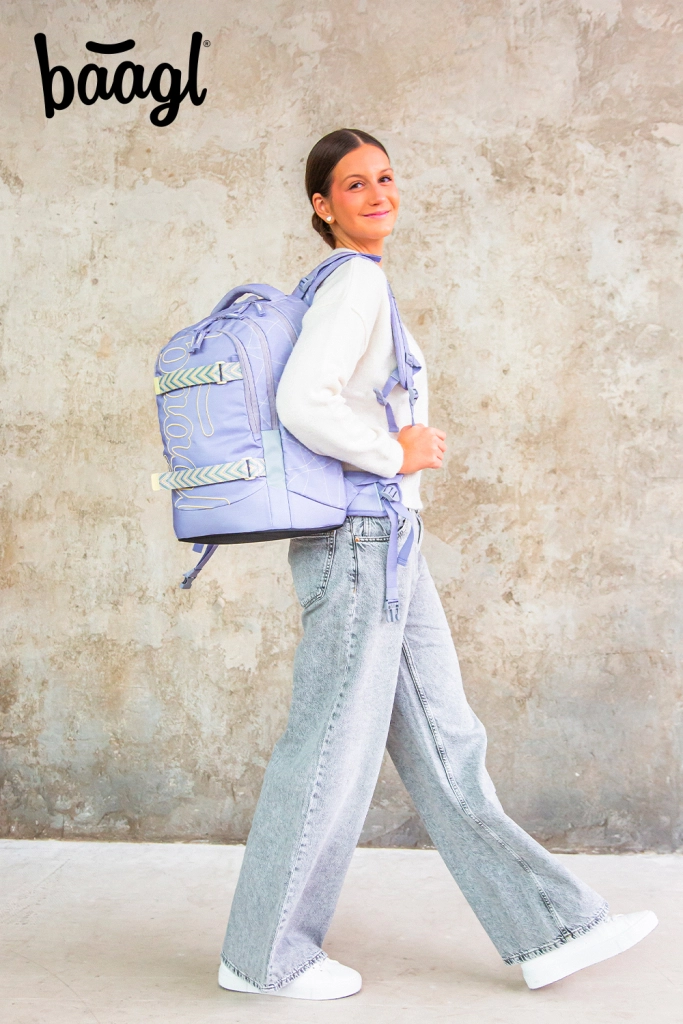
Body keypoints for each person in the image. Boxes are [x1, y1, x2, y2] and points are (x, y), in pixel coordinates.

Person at [217, 129, 657, 1001]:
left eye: (385, 177)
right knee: (328, 750)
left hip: (385, 544)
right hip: (359, 541)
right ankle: (262, 957)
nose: (378, 193)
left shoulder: (340, 284)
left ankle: (551, 927)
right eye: (354, 184)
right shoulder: (354, 282)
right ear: (321, 205)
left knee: (449, 744)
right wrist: (394, 451)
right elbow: (301, 401)